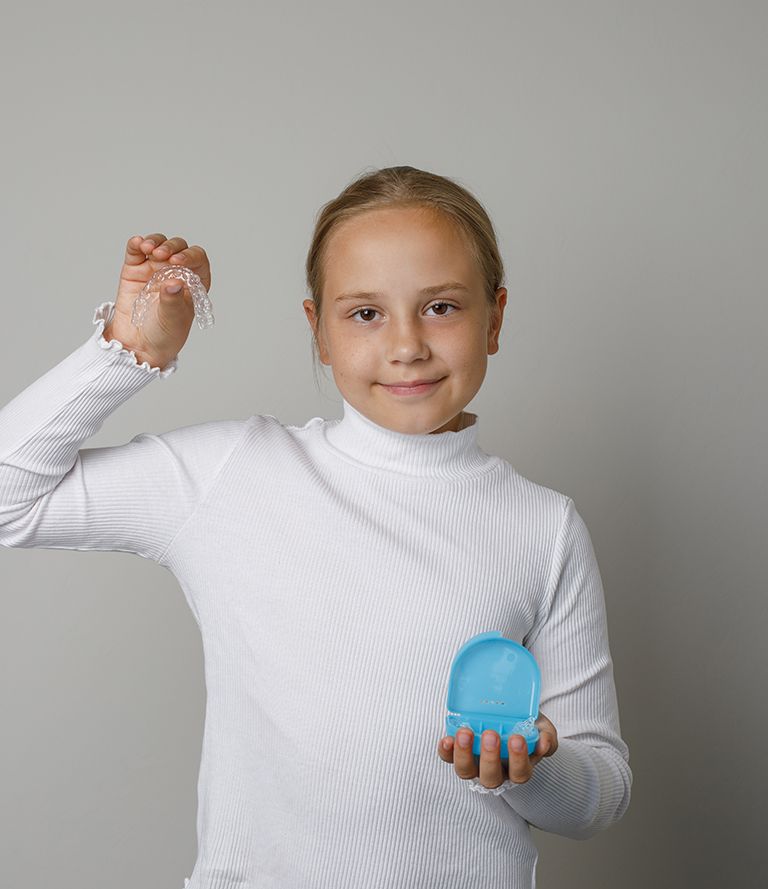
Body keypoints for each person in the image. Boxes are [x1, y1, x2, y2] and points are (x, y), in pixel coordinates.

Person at [0, 165, 632, 888]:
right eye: (365, 312)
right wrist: (132, 348)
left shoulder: (542, 527)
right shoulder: (235, 473)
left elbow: (601, 793)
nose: (406, 345)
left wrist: (532, 766)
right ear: (319, 330)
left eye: (442, 307)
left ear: (495, 317)